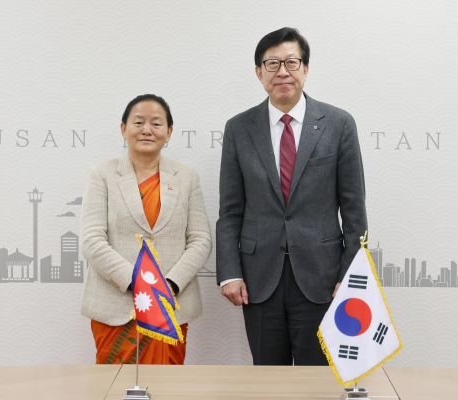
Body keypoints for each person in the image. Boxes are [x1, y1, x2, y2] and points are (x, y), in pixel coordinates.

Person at [216, 28, 368, 366]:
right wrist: (229, 272)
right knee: (268, 379)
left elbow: (354, 210)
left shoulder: (338, 124)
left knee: (318, 380)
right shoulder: (239, 128)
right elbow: (230, 211)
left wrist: (351, 275)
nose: (282, 71)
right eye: (272, 63)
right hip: (259, 279)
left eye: (291, 62)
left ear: (306, 68)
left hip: (322, 278)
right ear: (259, 72)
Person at [80, 94, 212, 365]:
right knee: (114, 384)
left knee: (167, 383)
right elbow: (92, 240)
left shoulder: (187, 177)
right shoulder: (102, 174)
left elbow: (200, 239)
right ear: (123, 129)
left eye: (157, 123)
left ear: (169, 132)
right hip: (116, 306)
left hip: (170, 306)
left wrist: (169, 285)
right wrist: (139, 283)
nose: (147, 130)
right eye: (138, 122)